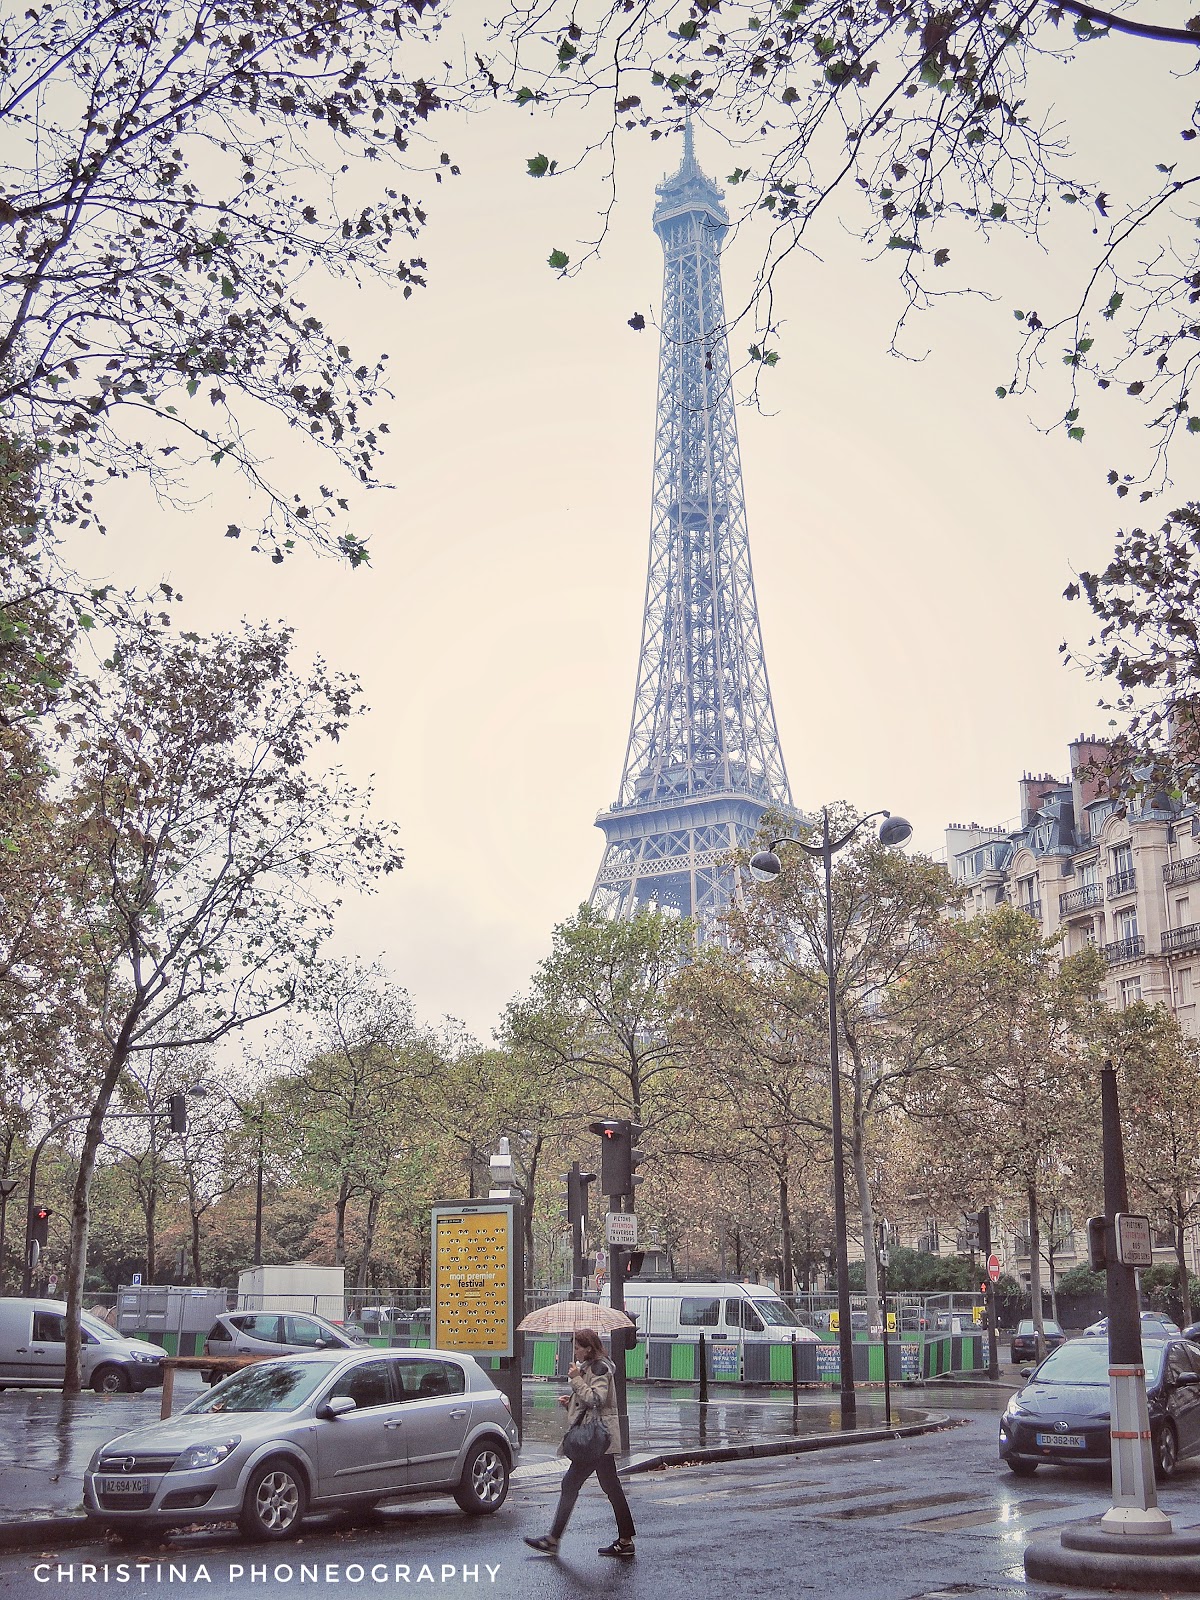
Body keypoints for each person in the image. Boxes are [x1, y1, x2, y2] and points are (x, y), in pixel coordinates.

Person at [523, 1327, 636, 1559]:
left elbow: (596, 1398)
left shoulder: (599, 1368)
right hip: (596, 1438)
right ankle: (625, 1540)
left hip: (596, 1439)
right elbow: (588, 1401)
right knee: (610, 1487)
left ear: (588, 1348)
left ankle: (553, 1540)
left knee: (572, 1484)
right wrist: (571, 1403)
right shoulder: (590, 1368)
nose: (575, 1351)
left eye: (577, 1347)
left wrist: (575, 1381)